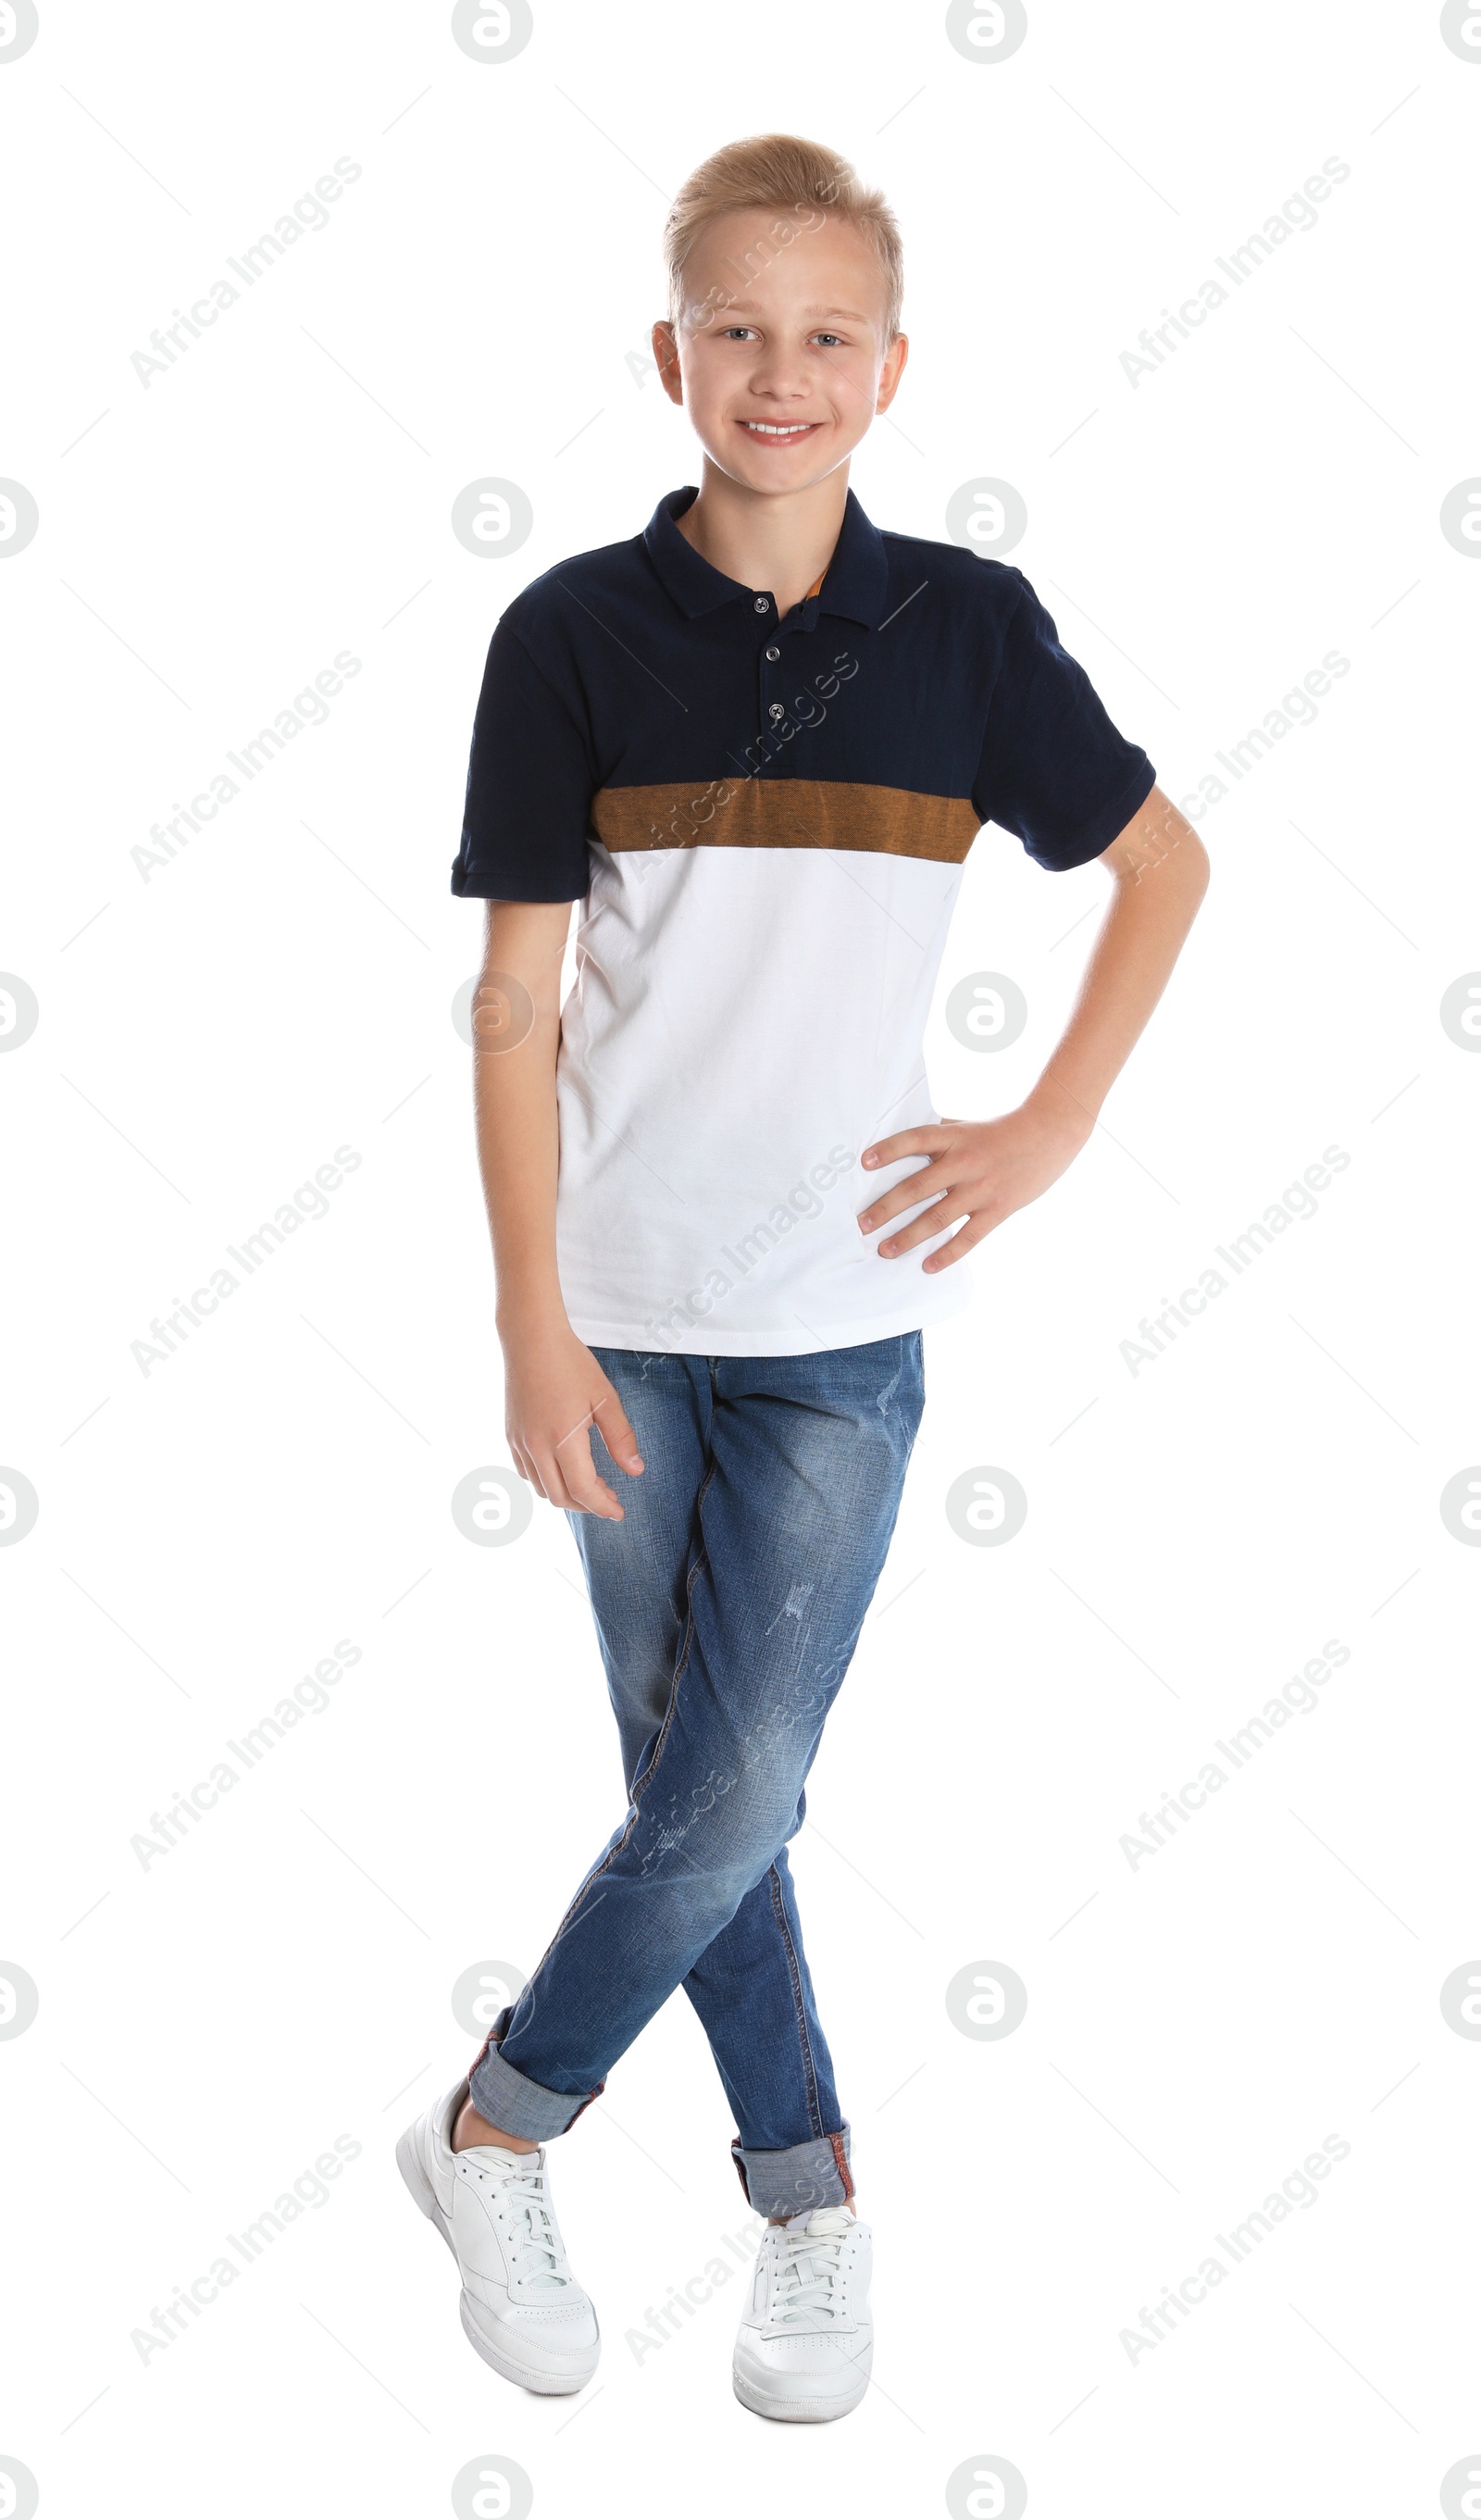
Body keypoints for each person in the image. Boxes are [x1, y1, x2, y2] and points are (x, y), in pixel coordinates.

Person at [399, 131, 1209, 2422]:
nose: (778, 371)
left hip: (843, 1318)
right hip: (624, 1313)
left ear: (889, 367)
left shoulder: (961, 629)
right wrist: (524, 1313)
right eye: (733, 330)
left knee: (730, 1779)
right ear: (668, 355)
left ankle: (495, 2119)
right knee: (703, 1786)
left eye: (822, 333)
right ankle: (810, 2192)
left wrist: (1048, 1125)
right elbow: (511, 1006)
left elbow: (1160, 863)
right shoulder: (563, 632)